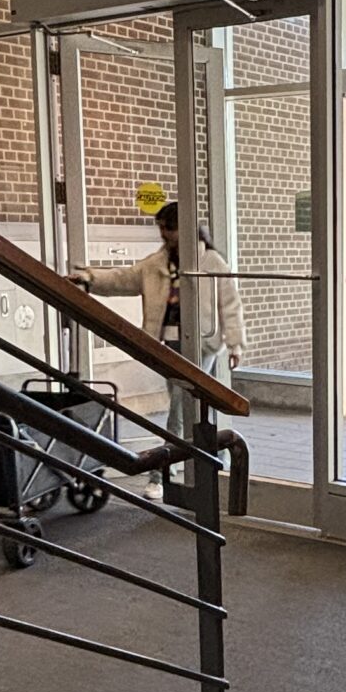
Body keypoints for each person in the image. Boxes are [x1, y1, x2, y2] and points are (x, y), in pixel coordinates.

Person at [77, 204, 245, 496]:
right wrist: (91, 278)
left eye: (169, 228)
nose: (164, 234)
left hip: (202, 343)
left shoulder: (212, 262)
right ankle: (212, 455)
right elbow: (123, 278)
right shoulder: (157, 263)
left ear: (186, 228)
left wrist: (235, 343)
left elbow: (229, 304)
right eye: (161, 228)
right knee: (189, 403)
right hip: (168, 343)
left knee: (180, 405)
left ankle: (159, 474)